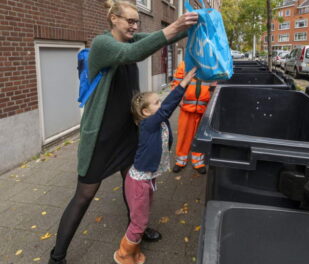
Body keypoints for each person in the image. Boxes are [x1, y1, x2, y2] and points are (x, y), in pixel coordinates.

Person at [48, 1, 198, 263]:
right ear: (113, 19)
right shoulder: (102, 45)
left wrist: (193, 26)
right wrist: (174, 25)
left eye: (136, 22)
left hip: (129, 133)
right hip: (102, 138)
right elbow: (136, 52)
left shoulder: (131, 39)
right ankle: (57, 256)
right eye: (129, 21)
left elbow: (153, 39)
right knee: (84, 195)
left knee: (135, 183)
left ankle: (136, 229)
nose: (134, 26)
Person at [114, 67, 197, 264]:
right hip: (139, 182)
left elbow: (165, 116)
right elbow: (169, 106)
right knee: (139, 222)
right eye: (156, 103)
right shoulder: (148, 124)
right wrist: (183, 83)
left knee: (143, 216)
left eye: (159, 102)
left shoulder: (159, 123)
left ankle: (132, 252)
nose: (161, 105)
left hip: (147, 179)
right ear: (145, 112)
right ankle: (123, 254)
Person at [171, 61, 213, 174]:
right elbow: (177, 82)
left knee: (200, 137)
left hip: (204, 109)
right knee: (184, 134)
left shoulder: (211, 63)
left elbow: (215, 84)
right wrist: (177, 98)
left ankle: (198, 162)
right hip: (186, 108)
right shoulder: (184, 64)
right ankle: (181, 160)